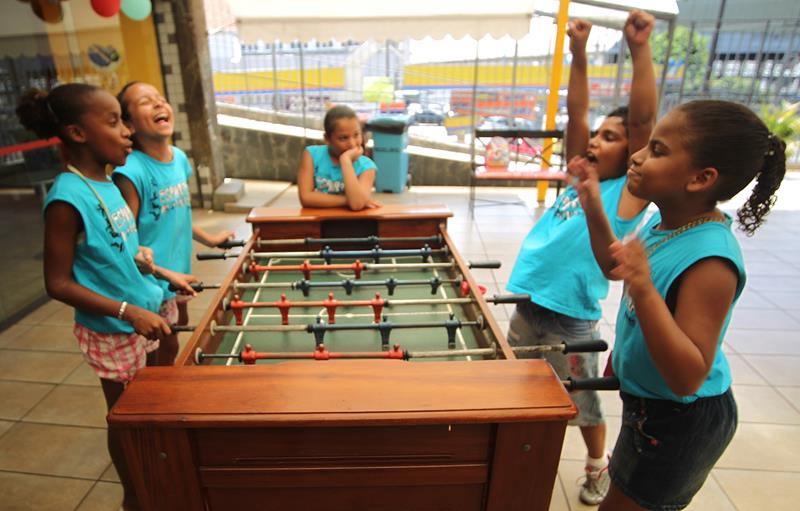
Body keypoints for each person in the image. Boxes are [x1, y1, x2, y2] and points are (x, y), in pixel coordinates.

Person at [571, 100, 786, 510]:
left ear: (701, 178)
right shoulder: (667, 223)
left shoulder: (711, 259)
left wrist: (644, 289)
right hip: (648, 408)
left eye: (657, 150)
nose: (637, 156)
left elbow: (687, 375)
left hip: (679, 422)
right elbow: (615, 267)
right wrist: (594, 209)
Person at [16, 83, 196, 510]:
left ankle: (157, 469)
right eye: (114, 122)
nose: (126, 132)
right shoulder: (66, 198)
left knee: (151, 404)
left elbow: (120, 250)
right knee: (125, 417)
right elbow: (57, 283)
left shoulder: (109, 184)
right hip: (115, 327)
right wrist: (127, 311)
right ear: (78, 133)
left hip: (144, 307)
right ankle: (134, 496)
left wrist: (162, 271)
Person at [504, 10, 656, 505]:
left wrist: (639, 50)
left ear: (634, 154)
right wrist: (578, 53)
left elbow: (643, 121)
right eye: (597, 135)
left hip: (572, 319)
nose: (594, 140)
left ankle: (596, 464)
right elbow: (578, 112)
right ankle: (520, 451)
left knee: (584, 401)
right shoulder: (579, 176)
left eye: (610, 137)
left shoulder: (627, 192)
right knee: (520, 382)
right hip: (529, 304)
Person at [113, 81, 234, 365]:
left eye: (160, 98)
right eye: (145, 101)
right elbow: (125, 241)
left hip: (178, 273)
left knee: (178, 329)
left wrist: (209, 239)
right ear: (129, 125)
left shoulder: (178, 158)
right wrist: (161, 273)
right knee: (161, 347)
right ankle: (161, 386)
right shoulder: (130, 172)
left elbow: (175, 214)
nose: (158, 103)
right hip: (151, 281)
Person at [297, 104, 380, 210]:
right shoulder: (312, 155)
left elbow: (357, 205)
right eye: (343, 138)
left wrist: (345, 161)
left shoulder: (366, 166)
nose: (352, 144)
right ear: (327, 139)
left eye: (356, 135)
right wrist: (348, 200)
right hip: (319, 219)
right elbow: (306, 198)